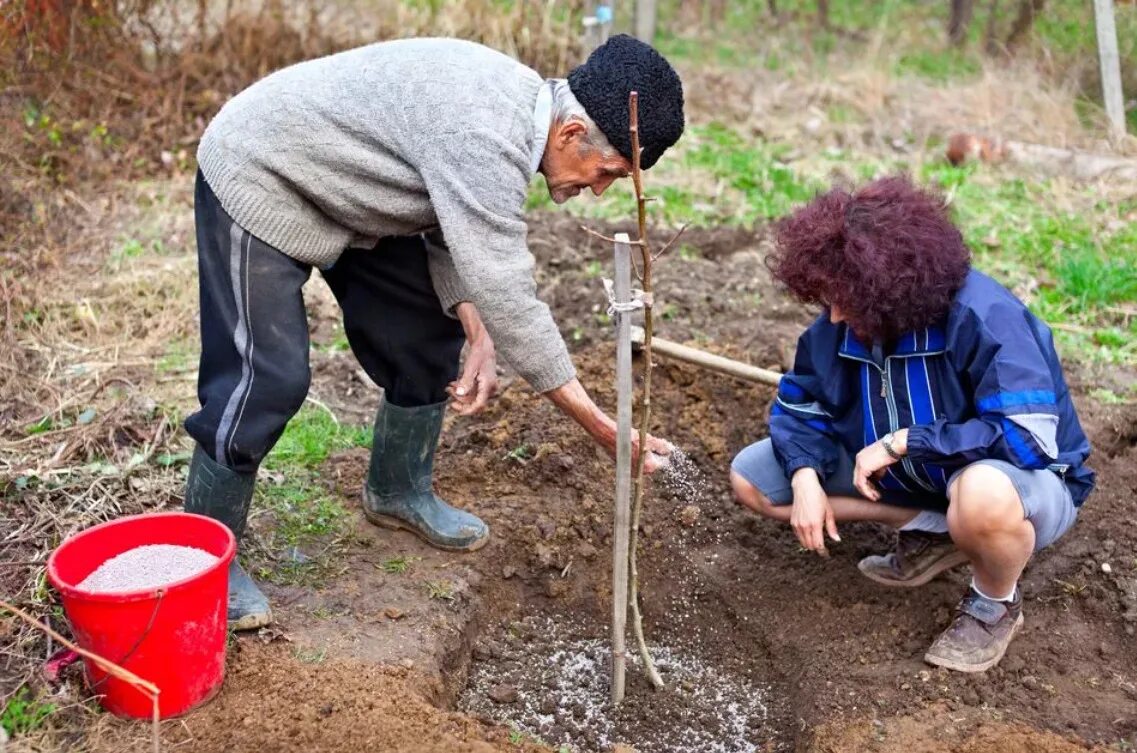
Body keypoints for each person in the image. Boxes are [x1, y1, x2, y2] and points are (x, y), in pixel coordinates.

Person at [184, 35, 684, 631]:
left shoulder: (520, 124)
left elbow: (454, 229)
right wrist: (603, 426)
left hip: (357, 189)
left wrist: (477, 331)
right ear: (572, 134)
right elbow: (508, 291)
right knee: (265, 379)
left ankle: (396, 492)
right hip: (264, 172)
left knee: (423, 339)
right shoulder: (483, 131)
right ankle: (203, 563)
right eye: (606, 173)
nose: (599, 190)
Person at [730, 176, 1094, 673]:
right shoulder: (837, 328)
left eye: (843, 298)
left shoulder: (984, 317)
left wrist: (908, 441)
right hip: (924, 484)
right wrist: (804, 476)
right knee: (755, 479)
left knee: (981, 495)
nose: (833, 314)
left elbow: (1026, 439)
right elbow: (800, 404)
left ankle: (994, 604)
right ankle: (936, 532)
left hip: (1024, 488)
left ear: (886, 287)